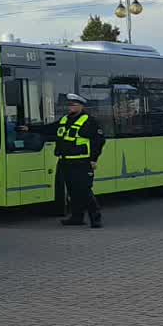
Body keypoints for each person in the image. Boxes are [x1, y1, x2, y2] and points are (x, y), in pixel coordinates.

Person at [53, 93, 106, 228]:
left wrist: (94, 159)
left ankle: (96, 218)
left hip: (81, 162)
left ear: (81, 106)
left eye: (73, 105)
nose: (70, 107)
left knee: (84, 191)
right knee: (72, 191)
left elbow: (99, 141)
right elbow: (51, 128)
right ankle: (77, 217)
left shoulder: (89, 121)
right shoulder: (65, 119)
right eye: (69, 104)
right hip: (65, 161)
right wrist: (29, 128)